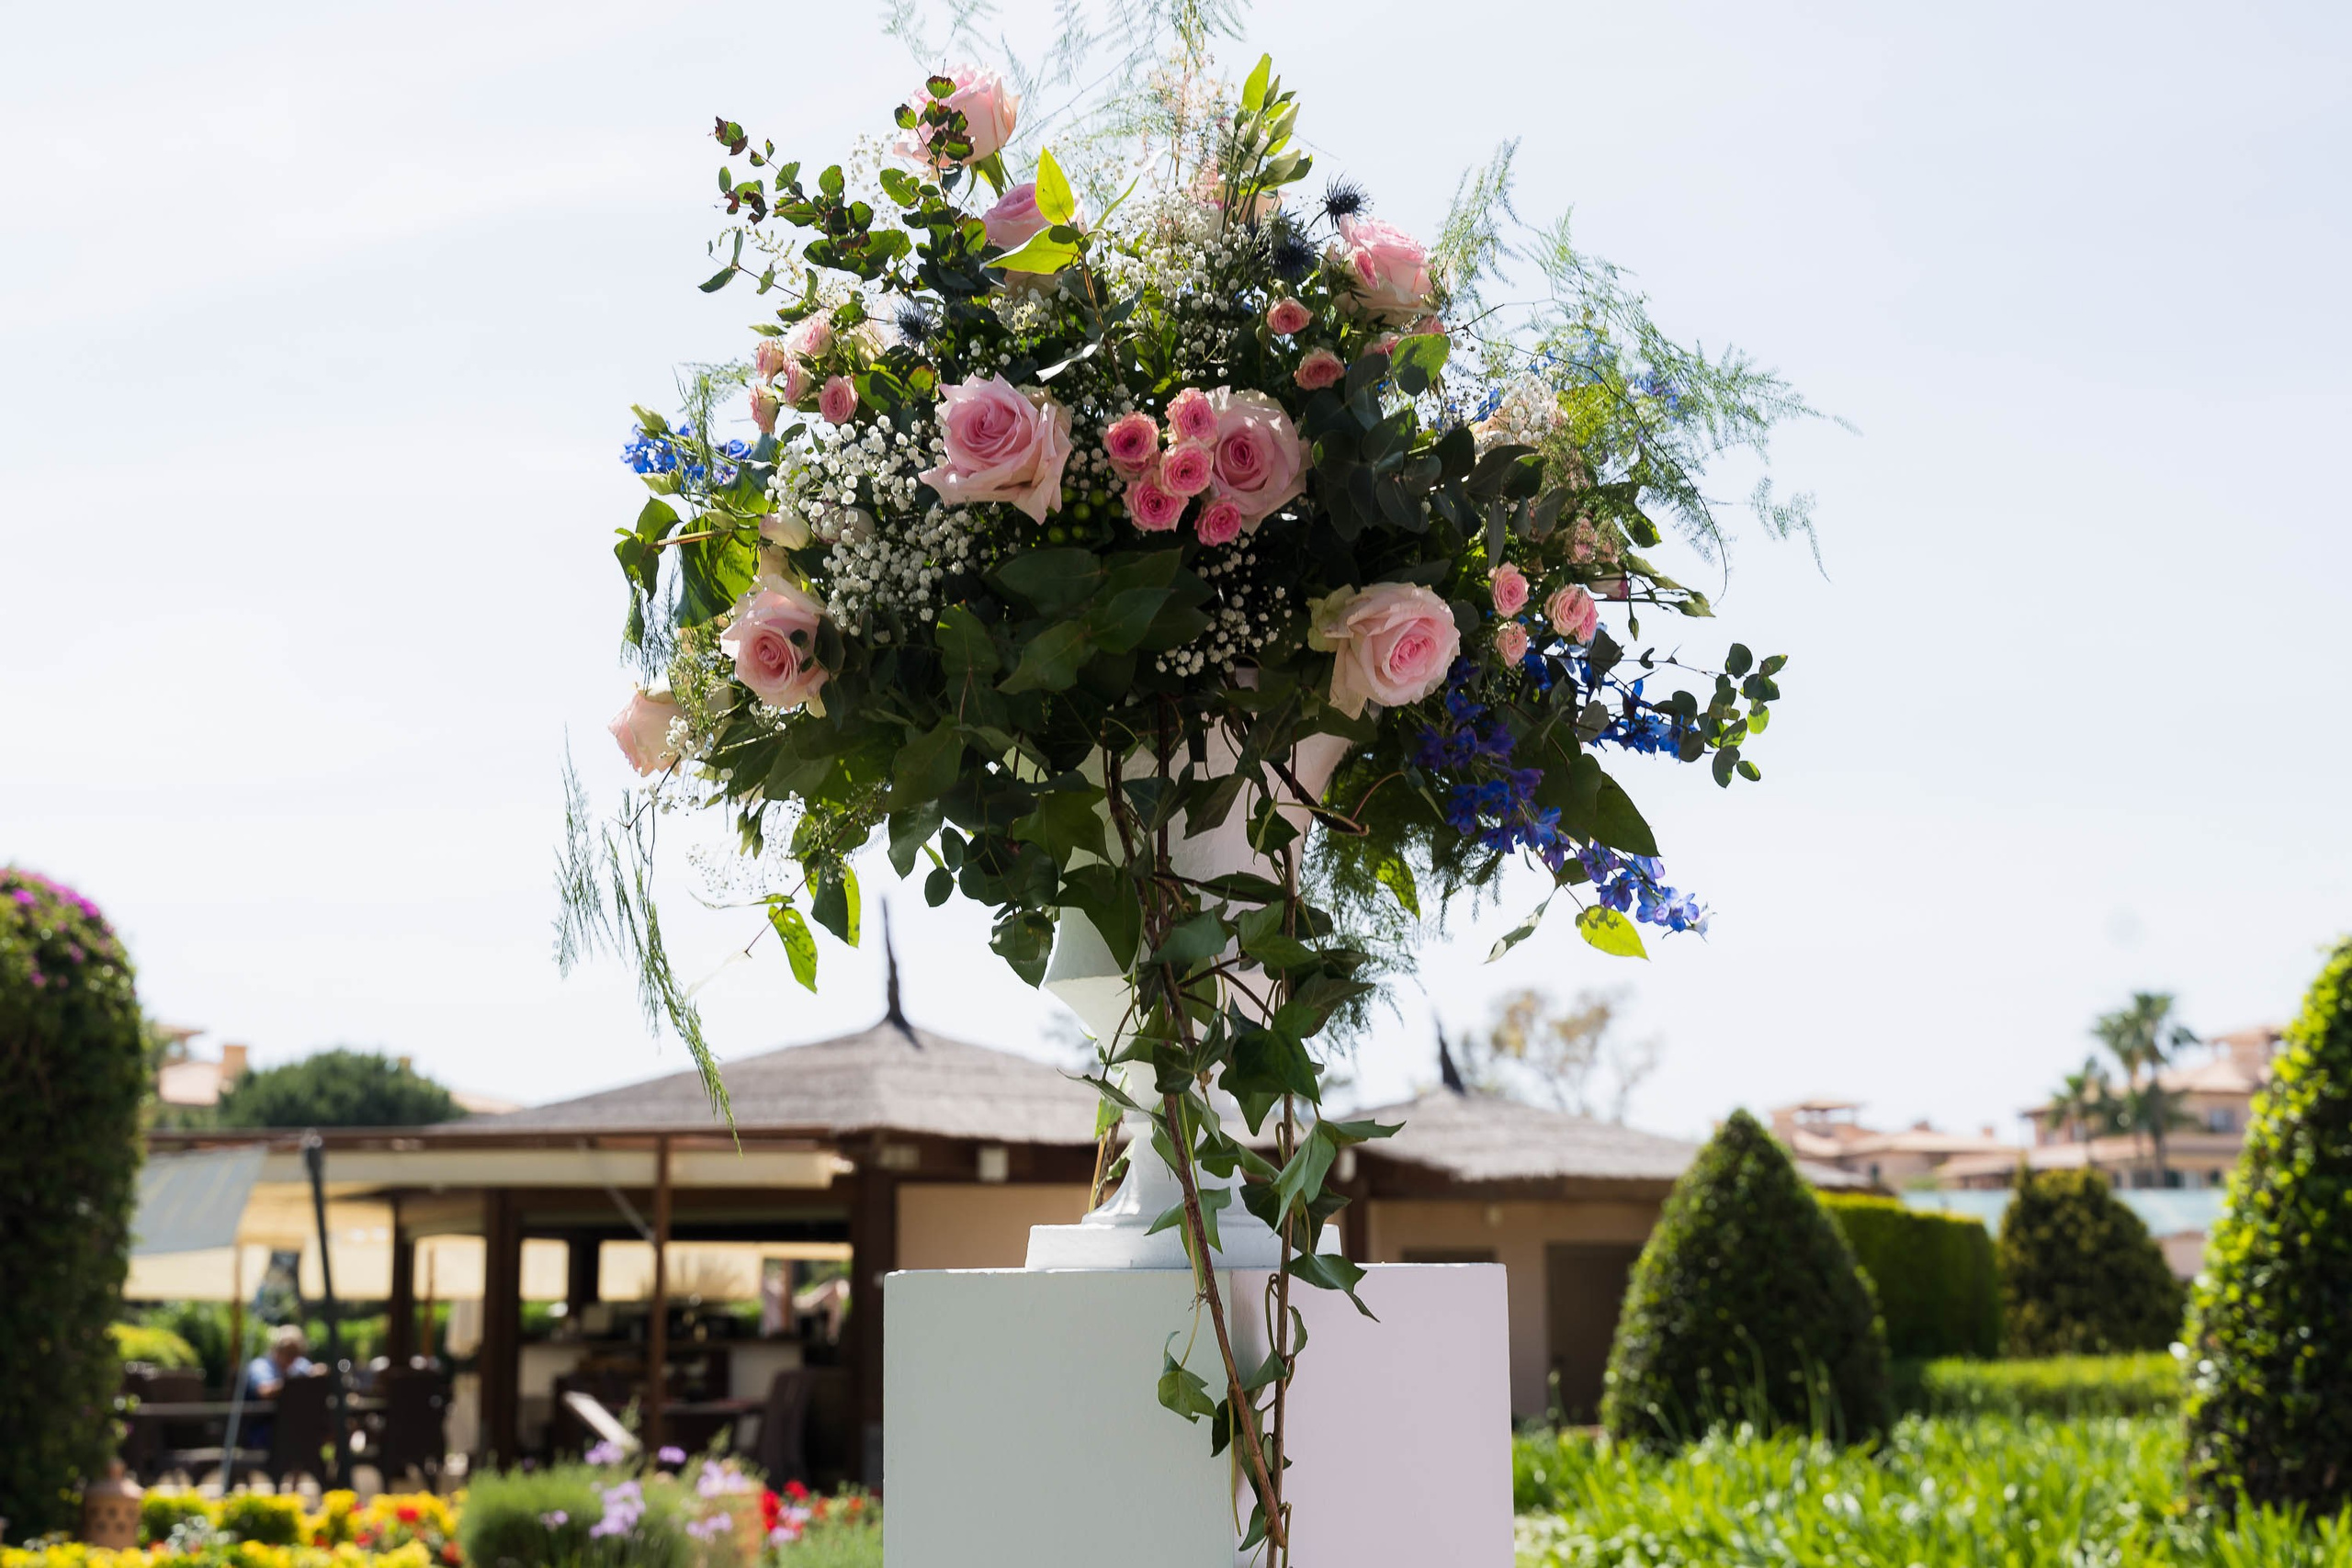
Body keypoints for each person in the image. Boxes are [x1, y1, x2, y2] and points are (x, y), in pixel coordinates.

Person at [238, 1325, 312, 1452]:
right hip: (262, 1430)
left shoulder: (299, 1365)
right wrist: (294, 1386)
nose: (292, 1358)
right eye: (288, 1352)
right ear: (276, 1349)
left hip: (294, 1428)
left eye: (295, 1353)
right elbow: (265, 1392)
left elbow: (314, 1375)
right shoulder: (260, 1367)